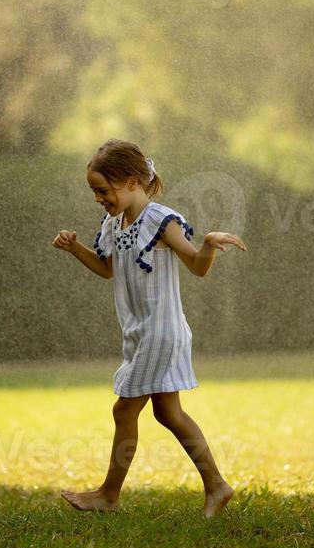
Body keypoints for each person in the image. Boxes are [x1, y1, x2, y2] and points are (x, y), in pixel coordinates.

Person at [51, 138, 248, 517]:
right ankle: (218, 486)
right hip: (139, 333)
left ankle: (109, 495)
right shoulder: (113, 223)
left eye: (102, 190)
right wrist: (76, 249)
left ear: (131, 183)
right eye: (94, 191)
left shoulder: (160, 220)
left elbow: (197, 265)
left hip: (162, 331)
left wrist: (206, 243)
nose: (98, 198)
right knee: (168, 414)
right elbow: (109, 269)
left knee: (124, 411)